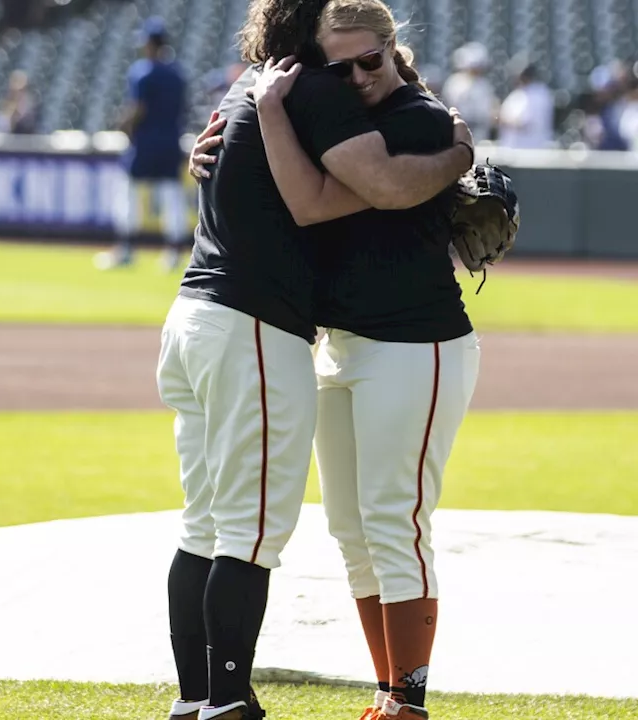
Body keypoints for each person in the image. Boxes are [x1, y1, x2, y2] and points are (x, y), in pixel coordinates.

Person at [159, 1, 475, 718]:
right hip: (327, 340)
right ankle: (233, 699)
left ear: (395, 50)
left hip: (413, 340)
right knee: (347, 532)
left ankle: (401, 698)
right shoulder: (304, 95)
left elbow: (363, 192)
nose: (357, 75)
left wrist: (462, 154)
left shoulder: (415, 116)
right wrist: (242, 123)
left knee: (387, 522)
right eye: (343, 64)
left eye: (371, 60)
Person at [94, 16, 189, 272]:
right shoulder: (178, 73)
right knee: (172, 197)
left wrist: (123, 125)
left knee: (129, 193)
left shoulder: (142, 71)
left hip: (146, 142)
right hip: (170, 141)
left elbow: (138, 108)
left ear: (150, 43)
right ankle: (174, 254)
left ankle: (125, 250)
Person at [441, 42, 496, 143]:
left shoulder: (484, 85)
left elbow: (489, 111)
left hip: (480, 131)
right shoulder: (455, 82)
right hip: (459, 127)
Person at [497, 57, 556, 149]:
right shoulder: (518, 93)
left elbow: (527, 123)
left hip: (531, 151)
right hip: (514, 150)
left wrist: (503, 120)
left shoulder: (538, 94)